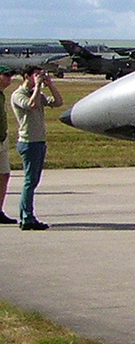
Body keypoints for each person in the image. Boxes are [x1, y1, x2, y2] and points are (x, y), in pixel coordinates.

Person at [11, 65, 61, 231]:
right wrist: (38, 86)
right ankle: (26, 217)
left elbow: (58, 102)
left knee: (33, 181)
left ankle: (28, 215)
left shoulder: (38, 94)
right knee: (29, 181)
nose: (40, 77)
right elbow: (31, 105)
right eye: (37, 75)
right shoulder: (18, 95)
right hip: (28, 141)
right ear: (27, 76)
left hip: (39, 141)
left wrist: (50, 85)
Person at [0, 67, 15, 224]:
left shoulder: (2, 96)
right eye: (6, 75)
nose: (9, 79)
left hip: (2, 140)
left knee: (4, 175)